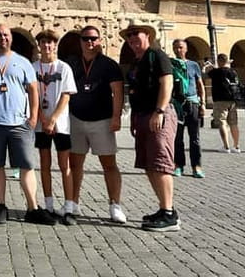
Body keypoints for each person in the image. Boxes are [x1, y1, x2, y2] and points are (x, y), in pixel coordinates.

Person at [0, 23, 55, 226]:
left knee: (26, 166)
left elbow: (33, 90)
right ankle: (1, 206)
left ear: (11, 38)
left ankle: (32, 207)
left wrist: (33, 118)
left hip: (19, 123)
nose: (2, 38)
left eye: (6, 35)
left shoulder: (22, 62)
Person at [122, 20, 179, 232]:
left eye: (136, 33)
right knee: (148, 164)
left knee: (160, 163)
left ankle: (169, 212)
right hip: (143, 116)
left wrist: (160, 111)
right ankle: (164, 208)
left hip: (158, 115)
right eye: (129, 35)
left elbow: (167, 83)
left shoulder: (158, 55)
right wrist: (135, 118)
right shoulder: (137, 61)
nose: (132, 39)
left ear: (148, 35)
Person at [66, 25, 126, 224]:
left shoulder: (109, 64)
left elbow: (117, 92)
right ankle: (73, 202)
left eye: (93, 38)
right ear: (80, 41)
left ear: (100, 40)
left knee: (109, 164)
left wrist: (116, 117)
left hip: (102, 120)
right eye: (85, 38)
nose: (90, 42)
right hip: (76, 118)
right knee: (75, 164)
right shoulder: (73, 63)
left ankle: (115, 205)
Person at [33, 29, 77, 224]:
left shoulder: (63, 68)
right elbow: (32, 96)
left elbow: (66, 95)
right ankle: (49, 205)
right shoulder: (33, 67)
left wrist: (52, 119)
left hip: (61, 123)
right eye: (43, 42)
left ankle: (68, 207)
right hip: (40, 122)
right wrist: (43, 118)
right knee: (44, 164)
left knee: (64, 164)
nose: (47, 46)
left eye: (50, 42)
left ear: (55, 45)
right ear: (39, 45)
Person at [171, 39, 206, 178]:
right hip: (177, 105)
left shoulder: (193, 65)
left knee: (195, 138)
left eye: (180, 47)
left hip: (192, 103)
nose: (178, 50)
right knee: (177, 138)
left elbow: (200, 84)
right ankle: (178, 165)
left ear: (186, 49)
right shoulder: (171, 64)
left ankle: (196, 166)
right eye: (175, 48)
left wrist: (202, 103)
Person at [208, 54, 241, 153]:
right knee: (234, 123)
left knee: (222, 122)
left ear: (219, 61)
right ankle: (236, 146)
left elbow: (205, 73)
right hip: (233, 99)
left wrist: (206, 66)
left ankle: (226, 146)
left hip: (220, 100)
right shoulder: (233, 72)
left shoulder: (216, 72)